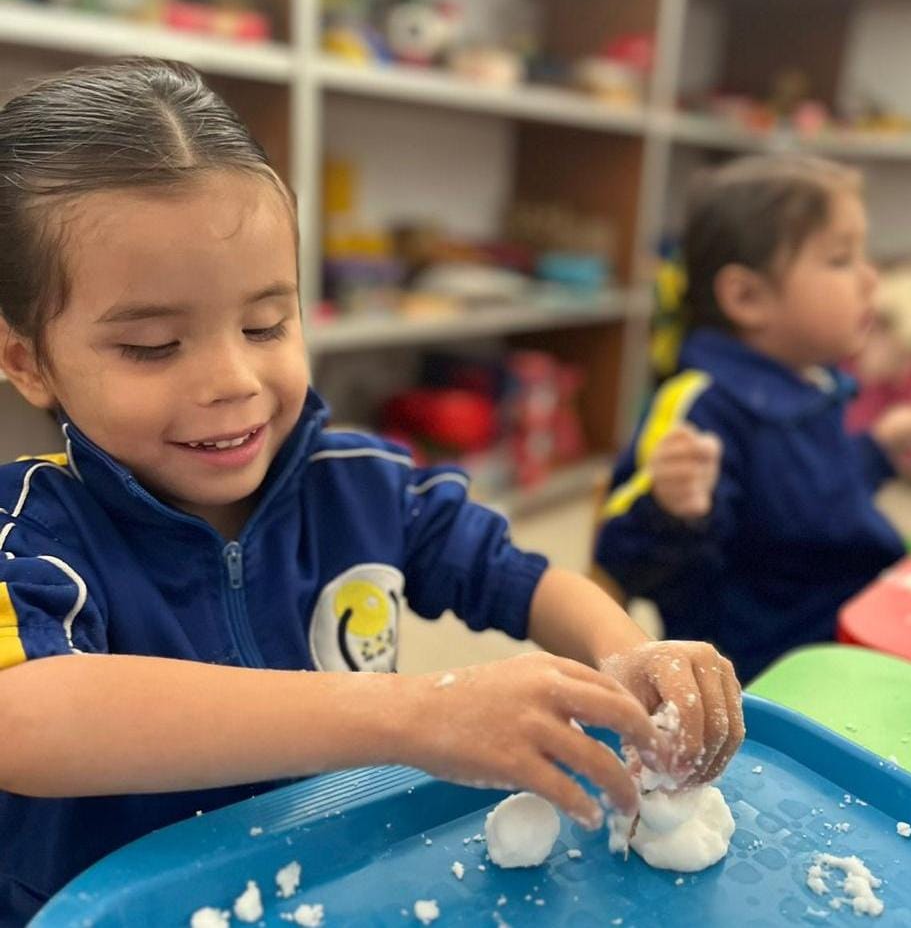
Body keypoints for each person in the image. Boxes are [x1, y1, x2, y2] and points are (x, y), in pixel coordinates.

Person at [0, 59, 743, 923]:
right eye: (154, 346)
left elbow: (524, 578)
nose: (233, 380)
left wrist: (627, 653)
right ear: (27, 360)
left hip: (333, 886)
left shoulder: (362, 484)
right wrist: (413, 712)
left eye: (266, 324)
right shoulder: (32, 531)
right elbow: (28, 714)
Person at [594, 155, 911, 684]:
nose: (871, 278)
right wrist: (672, 510)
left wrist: (874, 450)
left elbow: (813, 498)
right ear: (747, 297)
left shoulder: (812, 380)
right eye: (841, 259)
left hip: (844, 615)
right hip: (774, 670)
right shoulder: (701, 408)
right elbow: (623, 561)